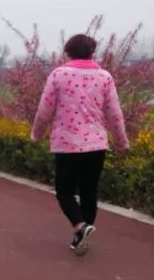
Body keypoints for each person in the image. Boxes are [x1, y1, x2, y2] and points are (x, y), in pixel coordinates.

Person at [31, 34, 129, 254]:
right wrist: (121, 142)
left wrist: (36, 134)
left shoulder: (59, 75)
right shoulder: (105, 77)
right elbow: (115, 114)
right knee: (89, 192)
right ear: (92, 52)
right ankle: (81, 237)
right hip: (96, 144)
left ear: (68, 53)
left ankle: (80, 227)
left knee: (64, 191)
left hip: (67, 144)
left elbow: (44, 110)